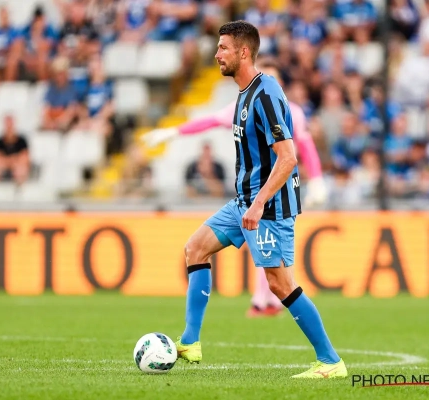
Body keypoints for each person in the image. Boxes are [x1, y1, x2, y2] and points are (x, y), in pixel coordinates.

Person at [144, 21, 347, 379]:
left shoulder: (266, 94)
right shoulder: (244, 93)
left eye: (223, 47)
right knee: (195, 249)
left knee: (280, 284)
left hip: (268, 207)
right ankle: (190, 342)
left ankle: (331, 361)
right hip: (244, 201)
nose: (216, 54)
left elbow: (288, 157)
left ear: (243, 52)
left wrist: (258, 203)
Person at [142, 61, 327, 319]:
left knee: (274, 260)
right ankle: (264, 302)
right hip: (252, 192)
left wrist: (317, 180)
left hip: (279, 191)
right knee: (264, 253)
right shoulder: (244, 103)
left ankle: (267, 303)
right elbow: (210, 121)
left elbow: (303, 146)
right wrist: (175, 132)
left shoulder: (292, 111)